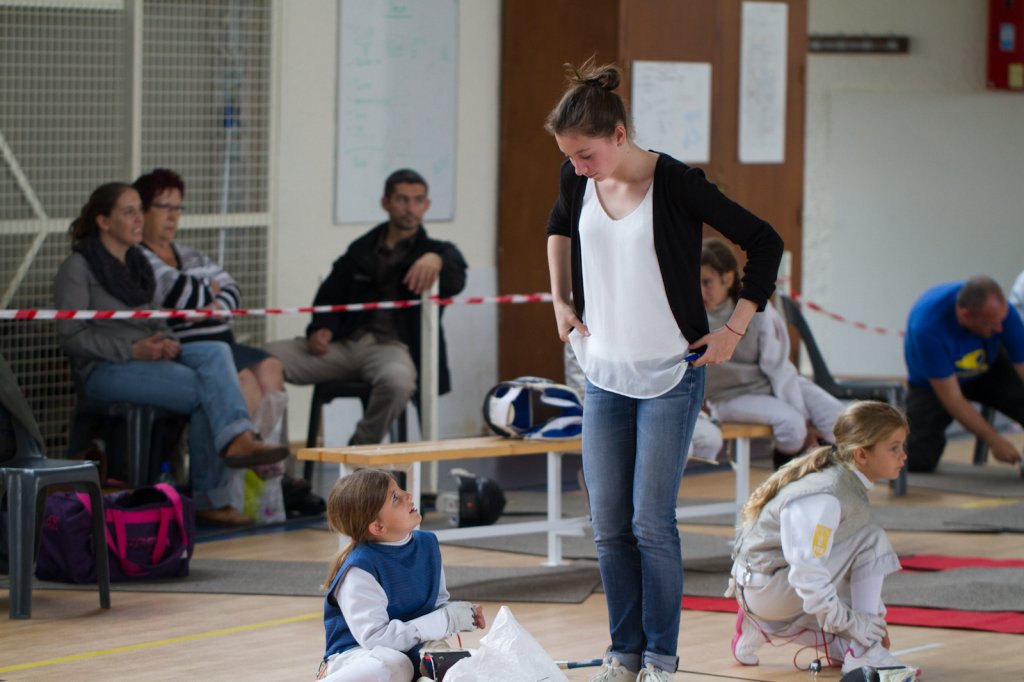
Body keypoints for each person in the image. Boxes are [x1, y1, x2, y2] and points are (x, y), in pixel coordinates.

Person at [545, 57, 783, 681]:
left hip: (671, 374)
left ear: (620, 135)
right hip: (603, 373)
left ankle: (659, 658)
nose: (577, 168)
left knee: (651, 522)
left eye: (586, 155)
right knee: (608, 524)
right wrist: (561, 300)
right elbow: (558, 227)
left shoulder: (677, 183)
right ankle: (622, 653)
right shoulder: (577, 177)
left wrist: (734, 329)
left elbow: (765, 241)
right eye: (569, 157)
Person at [54, 182, 289, 526]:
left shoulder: (136, 263)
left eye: (140, 209)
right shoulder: (78, 267)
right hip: (105, 368)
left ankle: (238, 438)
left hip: (148, 357)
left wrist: (165, 340)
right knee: (208, 390)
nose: (139, 218)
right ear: (103, 221)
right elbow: (70, 335)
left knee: (215, 351)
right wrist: (131, 349)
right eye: (129, 211)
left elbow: (155, 318)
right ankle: (212, 494)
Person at [266, 169, 467, 445]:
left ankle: (358, 453)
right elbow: (330, 294)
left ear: (427, 205)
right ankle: (275, 459)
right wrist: (322, 328)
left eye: (418, 200)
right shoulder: (361, 249)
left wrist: (438, 259)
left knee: (398, 383)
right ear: (385, 202)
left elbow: (456, 281)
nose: (410, 208)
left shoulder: (435, 252)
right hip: (344, 344)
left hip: (393, 349)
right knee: (263, 358)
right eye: (402, 199)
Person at [729, 401, 919, 677]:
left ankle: (765, 626)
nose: (903, 455)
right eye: (894, 448)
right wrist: (855, 626)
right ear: (861, 454)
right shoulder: (826, 496)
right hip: (767, 590)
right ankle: (864, 651)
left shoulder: (841, 477)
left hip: (765, 588)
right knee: (871, 540)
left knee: (848, 635)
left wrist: (865, 626)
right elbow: (806, 573)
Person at [133, 168, 285, 419]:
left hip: (224, 341)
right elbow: (178, 294)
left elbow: (233, 291)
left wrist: (208, 307)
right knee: (244, 380)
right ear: (144, 211)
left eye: (178, 208)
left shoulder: (191, 254)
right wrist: (209, 290)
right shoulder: (138, 257)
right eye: (164, 207)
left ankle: (264, 444)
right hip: (183, 347)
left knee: (270, 367)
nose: (173, 217)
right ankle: (239, 442)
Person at [317, 468, 485, 682]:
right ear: (377, 526)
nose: (408, 495)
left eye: (400, 489)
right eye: (395, 498)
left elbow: (436, 607)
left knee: (474, 662)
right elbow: (376, 639)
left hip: (408, 651)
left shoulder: (427, 544)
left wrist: (460, 613)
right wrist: (446, 619)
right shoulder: (360, 568)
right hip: (359, 656)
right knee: (395, 663)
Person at [701, 238, 843, 469]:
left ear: (727, 278)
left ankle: (832, 477)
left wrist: (805, 415)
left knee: (840, 420)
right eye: (695, 282)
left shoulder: (757, 312)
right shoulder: (694, 319)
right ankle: (786, 479)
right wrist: (803, 422)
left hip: (773, 382)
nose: (701, 291)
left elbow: (779, 370)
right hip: (730, 397)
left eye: (707, 282)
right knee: (793, 426)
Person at [904, 276, 1024, 472]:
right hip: (934, 384)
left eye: (1001, 321)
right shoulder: (927, 327)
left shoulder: (1003, 314)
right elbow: (953, 398)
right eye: (990, 324)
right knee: (918, 458)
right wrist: (994, 440)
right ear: (965, 315)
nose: (999, 329)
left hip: (988, 368)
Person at [564, 344, 723, 463]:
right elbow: (582, 387)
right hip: (615, 410)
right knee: (674, 446)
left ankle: (665, 492)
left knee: (710, 439)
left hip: (663, 401)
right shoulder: (588, 324)